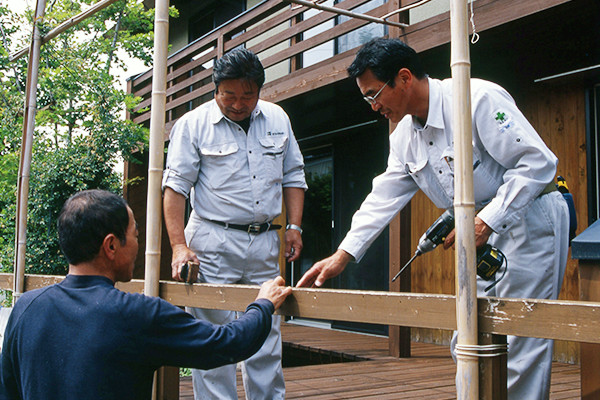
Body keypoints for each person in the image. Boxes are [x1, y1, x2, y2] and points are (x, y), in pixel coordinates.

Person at [296, 38, 569, 400]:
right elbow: (382, 197)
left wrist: (487, 221)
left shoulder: (477, 99)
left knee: (520, 339)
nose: (373, 106)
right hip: (478, 233)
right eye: (366, 98)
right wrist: (341, 256)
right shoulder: (404, 137)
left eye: (374, 94)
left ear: (405, 78)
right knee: (468, 337)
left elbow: (537, 163)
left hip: (529, 218)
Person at [0, 189, 292, 400]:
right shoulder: (136, 314)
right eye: (136, 235)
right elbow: (228, 343)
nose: (138, 245)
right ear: (111, 246)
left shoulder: (26, 307)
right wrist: (263, 304)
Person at [162, 48, 306, 400]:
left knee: (267, 334)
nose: (239, 104)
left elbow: (294, 175)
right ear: (215, 90)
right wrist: (179, 246)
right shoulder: (193, 124)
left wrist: (294, 226)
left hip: (265, 240)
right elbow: (175, 188)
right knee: (212, 335)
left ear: (259, 90)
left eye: (247, 95)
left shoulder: (277, 118)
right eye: (230, 95)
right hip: (211, 241)